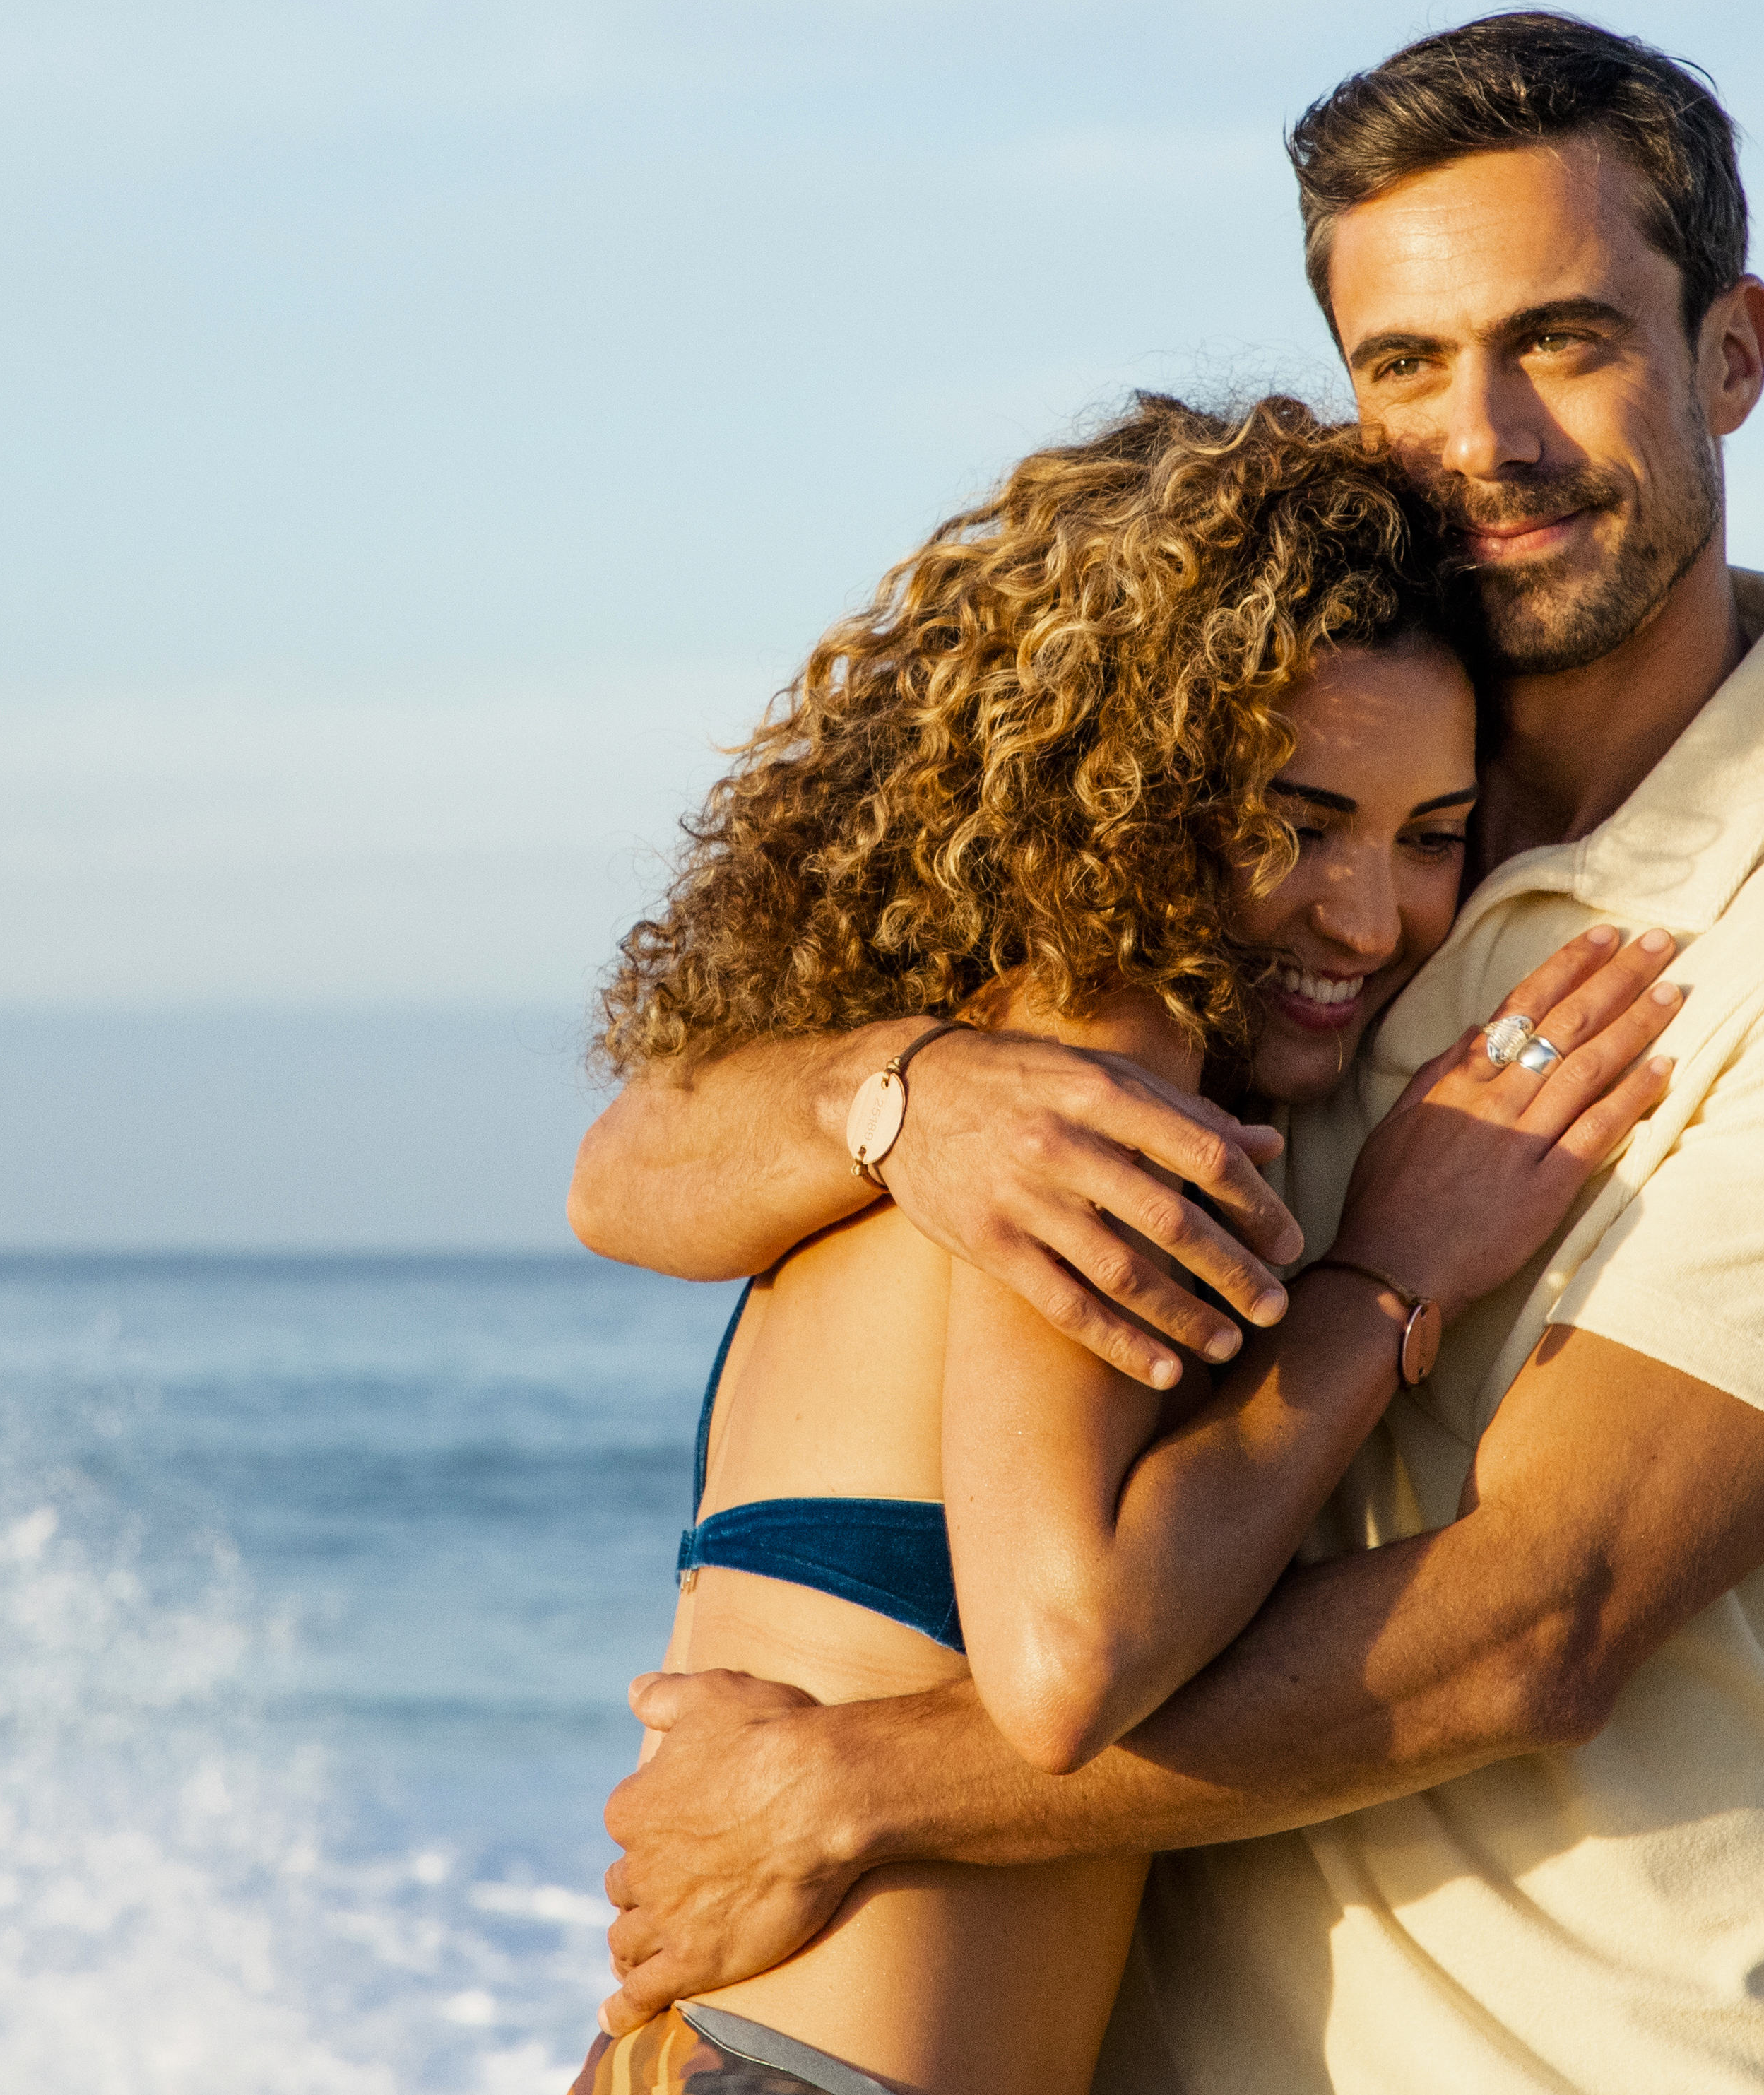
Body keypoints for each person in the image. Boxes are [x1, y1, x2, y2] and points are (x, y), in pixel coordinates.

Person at [574, 11, 1764, 2091]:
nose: (1480, 433)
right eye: (1403, 363)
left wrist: (857, 1790)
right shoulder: (1267, 861)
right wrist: (902, 1096)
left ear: (1728, 351)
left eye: (1561, 339)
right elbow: (633, 1171)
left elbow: (1529, 1624)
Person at [571, 394, 1688, 2095]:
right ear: (1139, 792)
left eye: (1429, 835)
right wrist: (1382, 1281)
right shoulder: (1098, 1053)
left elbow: (615, 1179)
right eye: (1296, 821)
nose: (1368, 915)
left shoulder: (975, 1050)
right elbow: (1067, 1657)